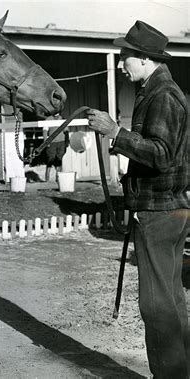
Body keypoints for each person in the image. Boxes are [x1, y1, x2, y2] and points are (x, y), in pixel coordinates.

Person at [86, 20, 189, 378]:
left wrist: (116, 132)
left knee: (156, 304)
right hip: (169, 209)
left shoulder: (162, 95)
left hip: (159, 213)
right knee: (172, 299)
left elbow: (160, 154)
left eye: (125, 57)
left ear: (145, 59)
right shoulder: (160, 91)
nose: (120, 64)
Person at [43, 114, 69, 182]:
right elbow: (45, 130)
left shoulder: (62, 118)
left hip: (61, 142)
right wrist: (46, 141)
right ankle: (47, 180)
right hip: (52, 142)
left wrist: (67, 140)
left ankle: (59, 179)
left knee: (59, 159)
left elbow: (66, 131)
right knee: (50, 159)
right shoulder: (48, 119)